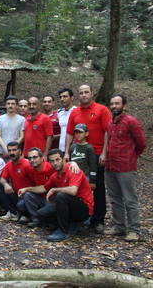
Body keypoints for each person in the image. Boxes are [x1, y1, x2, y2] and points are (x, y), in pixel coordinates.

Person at [18, 149, 93, 242]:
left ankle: (63, 231)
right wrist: (27, 189)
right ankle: (70, 224)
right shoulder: (55, 176)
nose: (55, 163)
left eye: (57, 160)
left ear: (63, 159)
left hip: (83, 208)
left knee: (61, 195)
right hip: (67, 206)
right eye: (52, 161)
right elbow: (44, 188)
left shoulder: (73, 170)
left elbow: (73, 190)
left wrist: (54, 189)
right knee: (41, 214)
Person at [65, 84, 111, 234]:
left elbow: (107, 132)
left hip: (96, 154)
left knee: (96, 187)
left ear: (92, 93)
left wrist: (104, 153)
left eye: (86, 92)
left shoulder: (101, 110)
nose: (84, 95)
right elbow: (70, 133)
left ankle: (97, 220)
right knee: (77, 187)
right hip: (78, 155)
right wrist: (66, 153)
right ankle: (80, 218)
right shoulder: (75, 112)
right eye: (81, 93)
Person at [103, 94, 147, 242]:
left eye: (117, 103)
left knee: (130, 199)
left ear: (124, 105)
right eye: (112, 104)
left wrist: (132, 156)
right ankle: (119, 226)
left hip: (125, 166)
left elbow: (141, 143)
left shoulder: (131, 122)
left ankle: (134, 229)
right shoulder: (110, 122)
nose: (114, 106)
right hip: (110, 165)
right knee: (115, 198)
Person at [0, 142, 33, 221]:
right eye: (9, 150)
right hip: (16, 194)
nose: (11, 153)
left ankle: (27, 215)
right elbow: (2, 179)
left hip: (27, 195)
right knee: (1, 187)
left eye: (14, 150)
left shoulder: (27, 164)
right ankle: (13, 213)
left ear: (20, 151)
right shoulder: (9, 164)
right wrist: (6, 184)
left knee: (21, 205)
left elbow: (36, 182)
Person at [69, 123, 97, 188]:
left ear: (86, 133)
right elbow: (70, 161)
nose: (78, 135)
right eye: (76, 133)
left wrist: (92, 180)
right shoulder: (72, 147)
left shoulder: (89, 148)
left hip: (85, 176)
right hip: (73, 175)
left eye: (80, 132)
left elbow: (93, 165)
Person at [57, 88, 76, 152]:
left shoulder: (76, 111)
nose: (62, 99)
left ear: (72, 98)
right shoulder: (59, 112)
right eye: (60, 97)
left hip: (73, 148)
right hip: (61, 148)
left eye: (65, 96)